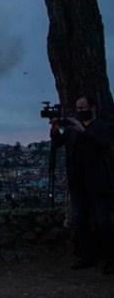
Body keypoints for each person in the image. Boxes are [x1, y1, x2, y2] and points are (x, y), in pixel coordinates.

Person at [50, 96, 114, 274]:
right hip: (78, 182)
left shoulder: (103, 127)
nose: (80, 111)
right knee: (80, 221)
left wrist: (83, 131)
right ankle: (88, 256)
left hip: (98, 182)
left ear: (92, 108)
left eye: (82, 108)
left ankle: (110, 258)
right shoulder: (71, 130)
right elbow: (58, 144)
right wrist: (55, 130)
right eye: (77, 108)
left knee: (104, 222)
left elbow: (102, 145)